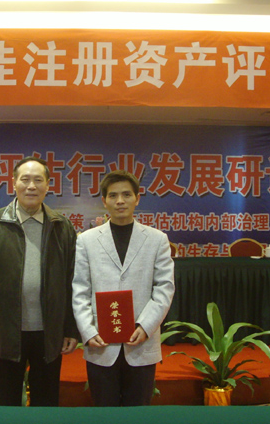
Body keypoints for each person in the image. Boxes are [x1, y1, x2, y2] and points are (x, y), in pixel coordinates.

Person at [0, 156, 78, 406]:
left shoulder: (62, 226)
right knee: (5, 403)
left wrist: (71, 328)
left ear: (48, 185)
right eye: (25, 180)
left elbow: (73, 282)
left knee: (46, 403)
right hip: (6, 332)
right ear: (13, 183)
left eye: (38, 180)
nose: (31, 186)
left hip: (49, 334)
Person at [72, 170, 175, 406]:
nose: (120, 201)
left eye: (127, 195)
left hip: (141, 341)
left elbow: (165, 287)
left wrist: (146, 326)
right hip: (100, 342)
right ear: (104, 200)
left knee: (137, 413)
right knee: (104, 412)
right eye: (113, 195)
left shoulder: (157, 239)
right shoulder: (86, 240)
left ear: (137, 198)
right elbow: (80, 289)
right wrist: (88, 331)